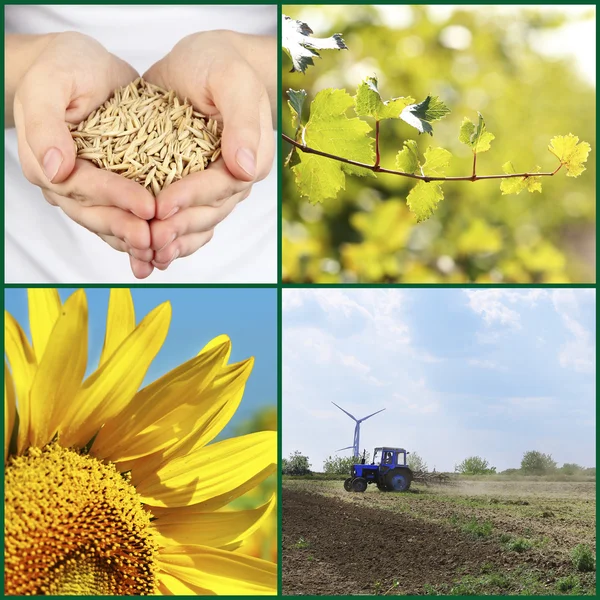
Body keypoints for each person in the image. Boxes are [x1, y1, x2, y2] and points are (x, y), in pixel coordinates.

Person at [5, 5, 277, 282]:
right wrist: (31, 73)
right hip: (31, 261)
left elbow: (310, 56)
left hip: (252, 262)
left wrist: (249, 80)